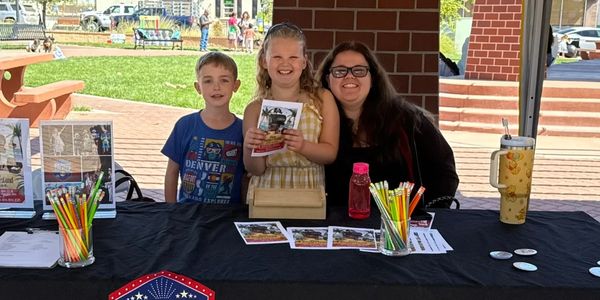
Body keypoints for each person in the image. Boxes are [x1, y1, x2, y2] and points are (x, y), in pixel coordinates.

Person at [315, 41, 459, 209]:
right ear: (327, 78)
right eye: (340, 71)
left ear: (373, 78)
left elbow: (444, 172)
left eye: (359, 70)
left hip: (397, 229)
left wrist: (426, 217)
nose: (349, 76)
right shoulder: (313, 122)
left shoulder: (408, 120)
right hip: (333, 228)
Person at [243, 22, 339, 203]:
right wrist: (251, 147)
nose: (285, 63)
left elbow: (330, 154)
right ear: (264, 61)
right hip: (266, 195)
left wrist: (303, 146)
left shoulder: (322, 99)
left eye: (293, 57)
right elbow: (256, 169)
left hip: (309, 196)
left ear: (304, 62)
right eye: (277, 56)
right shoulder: (254, 109)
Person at [162, 52, 245, 204]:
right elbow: (172, 172)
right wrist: (170, 211)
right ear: (197, 87)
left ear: (236, 85)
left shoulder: (244, 130)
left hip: (227, 218)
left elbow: (248, 177)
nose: (216, 87)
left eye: (224, 80)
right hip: (188, 214)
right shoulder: (185, 125)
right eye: (208, 81)